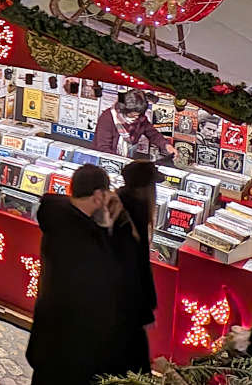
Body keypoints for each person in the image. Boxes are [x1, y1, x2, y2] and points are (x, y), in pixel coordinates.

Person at [27, 164, 133, 385]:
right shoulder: (87, 239)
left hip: (47, 341)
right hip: (76, 350)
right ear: (98, 196)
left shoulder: (56, 216)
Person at [115, 160, 160, 374]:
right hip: (125, 303)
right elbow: (137, 265)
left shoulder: (119, 205)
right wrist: (146, 309)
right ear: (145, 188)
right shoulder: (135, 214)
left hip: (114, 300)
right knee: (133, 360)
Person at [93, 90, 176, 159]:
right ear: (125, 110)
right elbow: (103, 147)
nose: (136, 117)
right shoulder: (107, 118)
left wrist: (166, 145)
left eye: (138, 114)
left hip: (128, 157)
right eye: (133, 115)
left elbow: (153, 134)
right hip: (107, 159)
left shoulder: (141, 118)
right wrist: (118, 161)